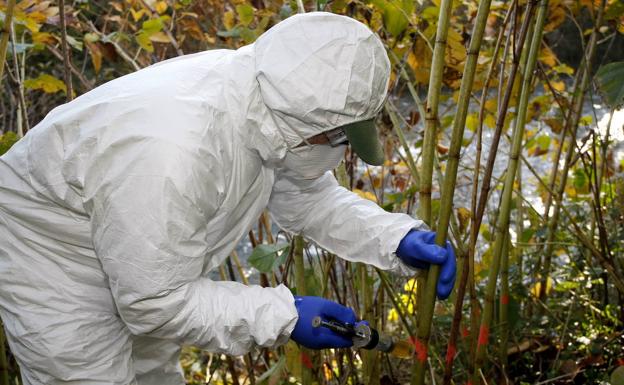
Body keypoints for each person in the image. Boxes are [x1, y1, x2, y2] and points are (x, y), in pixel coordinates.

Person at [0, 11, 456, 385]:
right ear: (307, 127)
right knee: (88, 374)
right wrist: (284, 315)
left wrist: (394, 239)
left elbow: (303, 194)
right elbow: (154, 303)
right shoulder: (177, 151)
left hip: (144, 245)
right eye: (337, 138)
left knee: (154, 373)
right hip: (53, 252)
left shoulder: (265, 103)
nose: (339, 148)